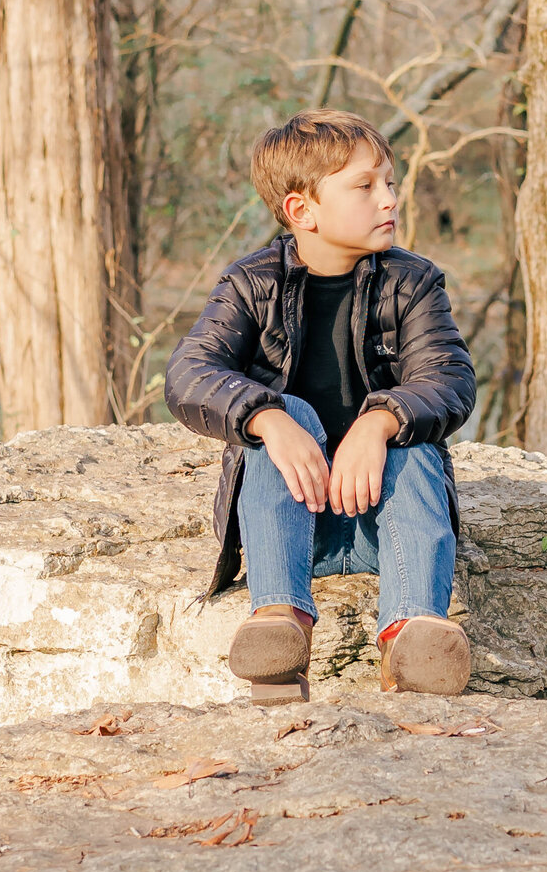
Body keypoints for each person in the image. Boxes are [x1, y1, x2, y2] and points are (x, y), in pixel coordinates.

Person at [165, 108, 476, 703]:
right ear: (301, 211)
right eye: (365, 186)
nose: (389, 198)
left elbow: (449, 377)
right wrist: (265, 417)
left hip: (387, 524)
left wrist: (380, 420)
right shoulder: (251, 284)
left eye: (389, 180)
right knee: (286, 410)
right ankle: (279, 626)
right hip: (287, 525)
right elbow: (188, 373)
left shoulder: (412, 283)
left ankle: (412, 636)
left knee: (411, 437)